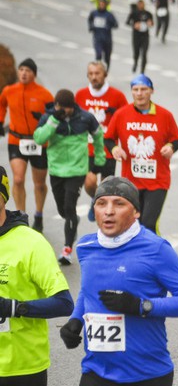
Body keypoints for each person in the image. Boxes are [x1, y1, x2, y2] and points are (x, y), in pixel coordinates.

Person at [59, 176, 178, 386]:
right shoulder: (87, 248)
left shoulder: (156, 249)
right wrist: (76, 320)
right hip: (98, 378)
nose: (108, 210)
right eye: (101, 203)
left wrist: (142, 306)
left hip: (148, 380)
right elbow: (89, 292)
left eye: (118, 203)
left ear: (135, 211)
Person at [0, 165, 74, 386]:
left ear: (3, 197)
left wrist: (13, 307)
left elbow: (63, 301)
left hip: (23, 366)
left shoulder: (30, 243)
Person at [33, 90, 105, 265]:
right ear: (56, 105)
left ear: (72, 106)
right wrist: (54, 120)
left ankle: (67, 249)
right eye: (59, 107)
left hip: (77, 170)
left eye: (66, 108)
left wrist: (99, 157)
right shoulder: (48, 118)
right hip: (56, 170)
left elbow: (98, 135)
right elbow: (39, 138)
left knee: (69, 206)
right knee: (63, 211)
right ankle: (72, 221)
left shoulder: (85, 118)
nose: (63, 110)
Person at [103, 75, 178, 234]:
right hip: (131, 182)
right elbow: (109, 138)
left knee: (148, 224)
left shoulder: (164, 115)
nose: (139, 93)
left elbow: (177, 140)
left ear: (151, 91)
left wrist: (170, 147)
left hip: (158, 181)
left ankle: (152, 255)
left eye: (144, 89)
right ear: (131, 92)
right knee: (133, 225)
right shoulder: (121, 114)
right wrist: (114, 149)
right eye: (135, 90)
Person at [0, 58, 53, 232]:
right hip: (17, 140)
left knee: (39, 183)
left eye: (28, 70)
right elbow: (2, 105)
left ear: (34, 74)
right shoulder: (9, 91)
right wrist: (1, 121)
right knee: (18, 179)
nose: (23, 73)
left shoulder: (44, 94)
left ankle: (38, 214)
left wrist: (46, 123)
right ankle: (22, 217)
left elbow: (54, 115)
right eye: (21, 69)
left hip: (38, 142)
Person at [75, 61, 128, 223]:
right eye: (90, 74)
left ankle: (103, 213)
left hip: (107, 149)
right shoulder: (81, 95)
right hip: (87, 149)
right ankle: (95, 199)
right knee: (89, 182)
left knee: (106, 188)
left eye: (97, 73)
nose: (94, 77)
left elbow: (125, 120)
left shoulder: (117, 96)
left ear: (105, 75)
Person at [87, 0, 118, 69]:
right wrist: (91, 27)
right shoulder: (94, 13)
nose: (101, 5)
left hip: (107, 39)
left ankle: (106, 72)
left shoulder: (109, 15)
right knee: (98, 55)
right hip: (97, 38)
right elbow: (90, 20)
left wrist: (108, 26)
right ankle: (98, 71)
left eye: (103, 4)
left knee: (107, 57)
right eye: (100, 4)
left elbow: (116, 24)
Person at [126, 0, 154, 74]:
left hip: (145, 36)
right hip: (136, 36)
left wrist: (150, 23)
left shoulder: (148, 13)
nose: (141, 5)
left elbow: (152, 23)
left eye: (142, 4)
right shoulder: (134, 13)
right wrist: (134, 25)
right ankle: (135, 62)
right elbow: (127, 22)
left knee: (144, 53)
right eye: (139, 4)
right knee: (136, 52)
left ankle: (142, 71)